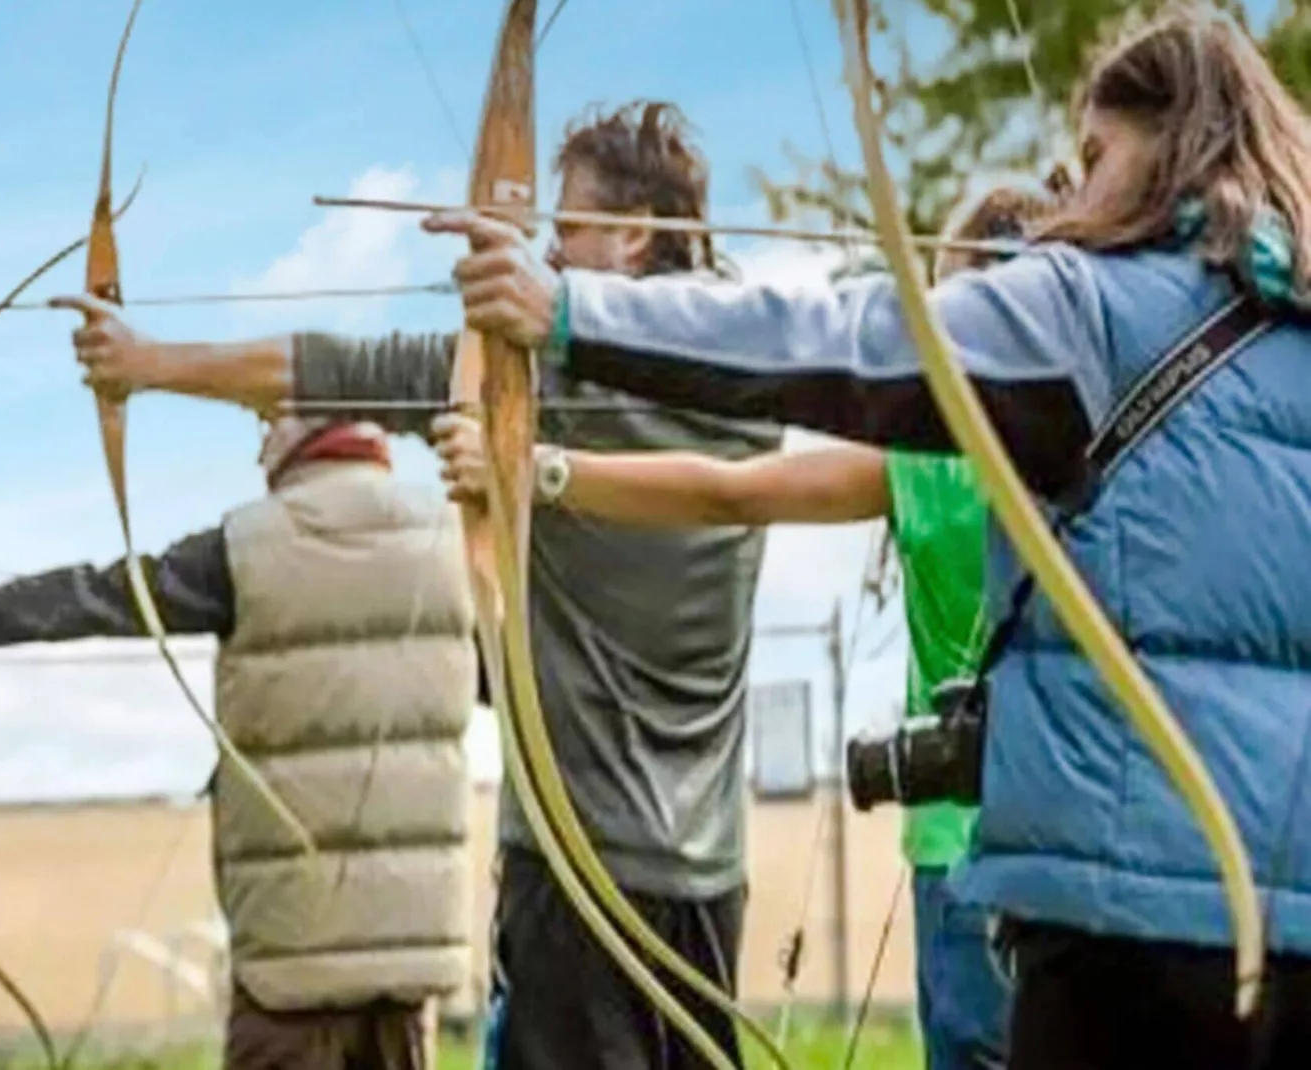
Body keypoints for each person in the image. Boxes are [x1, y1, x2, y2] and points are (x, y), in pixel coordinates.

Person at [426, 8, 1311, 1068]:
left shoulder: (1085, 307)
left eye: (1094, 158)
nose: (1073, 195)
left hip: (1122, 920)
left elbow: (841, 339)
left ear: (1168, 151)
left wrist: (569, 311)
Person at [51, 101, 784, 1070]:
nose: (549, 259)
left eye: (564, 233)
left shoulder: (550, 385)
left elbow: (336, 368)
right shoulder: (760, 378)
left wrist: (147, 362)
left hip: (575, 871)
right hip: (708, 871)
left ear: (636, 232)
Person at [432, 185, 1051, 1070]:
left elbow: (732, 493)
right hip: (1079, 851)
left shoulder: (931, 458)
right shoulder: (1108, 444)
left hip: (961, 846)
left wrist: (540, 471)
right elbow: (729, 489)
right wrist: (533, 468)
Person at [0, 416, 477, 1070]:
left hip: (289, 977)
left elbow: (98, 596)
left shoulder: (250, 546)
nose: (260, 443)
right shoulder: (452, 545)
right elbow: (520, 689)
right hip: (410, 981)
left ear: (311, 422)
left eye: (271, 420)